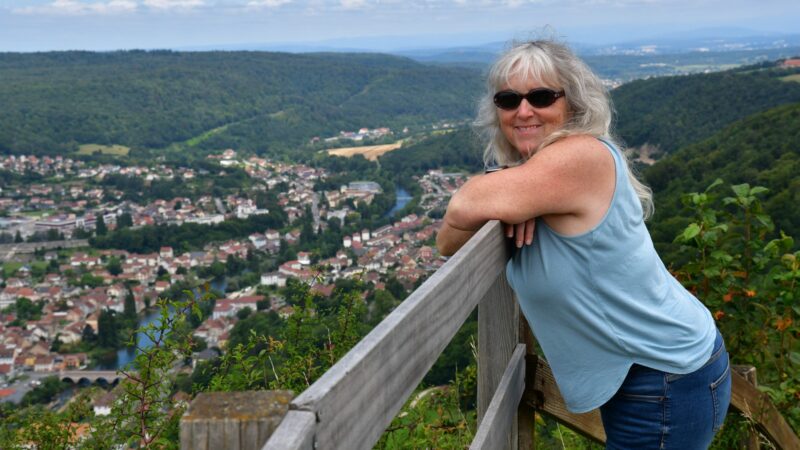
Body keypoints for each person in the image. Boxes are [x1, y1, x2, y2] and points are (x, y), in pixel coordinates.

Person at [436, 40, 732, 449]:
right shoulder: (536, 177)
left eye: (541, 96)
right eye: (508, 99)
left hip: (664, 380)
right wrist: (513, 196)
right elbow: (448, 241)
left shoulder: (580, 156)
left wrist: (502, 195)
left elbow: (464, 204)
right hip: (651, 376)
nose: (523, 111)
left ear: (572, 105)